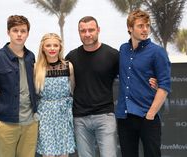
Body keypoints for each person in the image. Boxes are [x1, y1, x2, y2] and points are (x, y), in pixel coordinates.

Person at [116, 9, 171, 157]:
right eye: (140, 26)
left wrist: (151, 114)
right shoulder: (123, 49)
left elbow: (164, 86)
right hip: (125, 117)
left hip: (148, 116)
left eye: (147, 25)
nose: (145, 29)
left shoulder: (158, 52)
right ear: (130, 28)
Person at [0, 15, 38, 157]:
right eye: (15, 30)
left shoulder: (31, 57)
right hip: (5, 124)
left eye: (23, 31)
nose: (19, 34)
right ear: (8, 32)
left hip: (30, 124)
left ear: (27, 33)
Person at [65, 16, 118, 157]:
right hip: (80, 118)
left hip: (105, 116)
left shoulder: (112, 55)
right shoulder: (71, 57)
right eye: (83, 31)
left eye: (91, 30)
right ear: (79, 32)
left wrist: (151, 80)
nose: (87, 34)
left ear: (98, 30)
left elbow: (130, 77)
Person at [34, 33, 75, 157]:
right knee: (48, 153)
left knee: (64, 153)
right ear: (43, 48)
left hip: (64, 113)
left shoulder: (68, 66)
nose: (52, 48)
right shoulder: (36, 68)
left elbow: (72, 89)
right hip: (45, 114)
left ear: (60, 48)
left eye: (55, 45)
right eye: (48, 45)